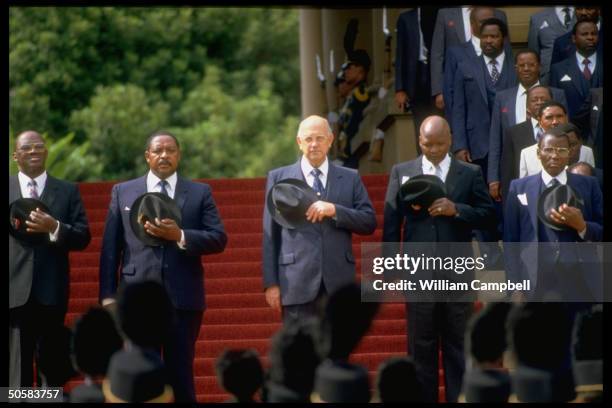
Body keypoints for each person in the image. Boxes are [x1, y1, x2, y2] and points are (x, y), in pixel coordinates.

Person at [98, 131, 228, 402]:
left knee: (180, 375)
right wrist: (108, 295)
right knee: (140, 376)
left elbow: (218, 238)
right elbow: (111, 248)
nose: (164, 155)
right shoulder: (123, 191)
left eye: (170, 150)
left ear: (179, 155)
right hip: (136, 300)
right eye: (158, 151)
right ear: (147, 156)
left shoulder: (199, 192)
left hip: (183, 299)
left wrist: (180, 235)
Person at [382, 115, 495, 402]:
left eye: (439, 144)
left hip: (458, 274)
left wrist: (456, 209)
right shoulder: (401, 171)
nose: (433, 150)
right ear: (419, 140)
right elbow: (392, 223)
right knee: (421, 347)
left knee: (459, 344)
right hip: (418, 274)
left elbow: (488, 216)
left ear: (451, 140)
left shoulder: (470, 173)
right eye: (427, 144)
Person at [262, 115, 376, 325]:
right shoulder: (279, 178)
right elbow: (270, 235)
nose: (314, 144)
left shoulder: (350, 177)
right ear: (299, 142)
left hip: (339, 281)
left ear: (331, 140)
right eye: (308, 139)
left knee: (338, 349)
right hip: (295, 280)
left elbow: (369, 221)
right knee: (300, 353)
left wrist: (335, 210)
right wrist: (271, 283)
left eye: (320, 138)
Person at [9, 130, 91, 388]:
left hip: (51, 291)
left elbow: (83, 236)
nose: (33, 151)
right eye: (26, 148)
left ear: (46, 152)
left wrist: (55, 227)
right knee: (15, 373)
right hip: (13, 291)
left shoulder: (67, 191)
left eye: (38, 147)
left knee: (51, 369)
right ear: (15, 156)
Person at [504, 128, 603, 301]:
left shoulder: (589, 185)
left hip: (580, 279)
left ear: (570, 152)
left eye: (561, 150)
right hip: (535, 280)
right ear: (538, 152)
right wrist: (514, 286)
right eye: (548, 149)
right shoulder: (519, 187)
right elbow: (511, 241)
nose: (555, 156)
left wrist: (583, 226)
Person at [488, 51, 568, 202]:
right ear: (515, 68)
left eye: (531, 65)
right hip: (515, 167)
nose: (526, 69)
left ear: (539, 67)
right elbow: (495, 140)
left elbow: (565, 129)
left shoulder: (557, 94)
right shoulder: (502, 97)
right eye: (522, 65)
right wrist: (493, 178)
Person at [430, 7, 509, 113]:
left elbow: (506, 50)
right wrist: (439, 90)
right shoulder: (445, 14)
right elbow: (437, 53)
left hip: (494, 80)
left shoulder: (499, 14)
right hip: (459, 82)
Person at [497, 94, 564, 201]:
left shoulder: (584, 151)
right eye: (549, 118)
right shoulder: (527, 153)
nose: (555, 122)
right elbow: (522, 187)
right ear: (540, 121)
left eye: (559, 117)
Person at [394, 6, 442, 151]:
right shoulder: (405, 19)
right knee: (421, 129)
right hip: (415, 81)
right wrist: (400, 88)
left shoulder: (442, 14)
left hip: (437, 78)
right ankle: (423, 166)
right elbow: (400, 54)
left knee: (440, 127)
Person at [550, 18, 603, 133]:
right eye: (584, 34)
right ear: (574, 38)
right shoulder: (558, 69)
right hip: (570, 132)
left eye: (594, 34)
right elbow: (555, 104)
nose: (590, 37)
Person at [527, 7, 575, 82]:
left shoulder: (586, 14)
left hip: (581, 71)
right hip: (548, 75)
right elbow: (533, 52)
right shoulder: (537, 18)